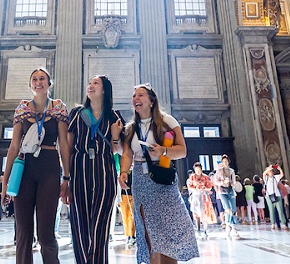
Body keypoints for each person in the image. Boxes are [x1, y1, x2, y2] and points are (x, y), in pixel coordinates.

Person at [118, 84, 199, 264]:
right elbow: (127, 154)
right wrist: (123, 171)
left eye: (140, 95)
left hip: (162, 177)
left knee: (168, 227)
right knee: (148, 228)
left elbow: (182, 151)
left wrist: (163, 151)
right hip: (140, 179)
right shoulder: (131, 127)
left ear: (151, 100)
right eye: (134, 96)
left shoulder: (167, 121)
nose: (135, 99)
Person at [1, 68, 71, 264]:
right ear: (30, 84)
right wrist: (5, 182)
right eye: (34, 79)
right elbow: (14, 145)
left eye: (42, 79)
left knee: (46, 233)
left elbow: (64, 144)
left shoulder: (58, 107)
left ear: (49, 83)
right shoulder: (22, 108)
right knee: (23, 233)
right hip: (24, 167)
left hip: (49, 166)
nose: (38, 82)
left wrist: (66, 177)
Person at [67, 75, 123, 264]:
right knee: (79, 227)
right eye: (89, 83)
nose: (90, 86)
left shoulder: (114, 117)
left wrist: (115, 137)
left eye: (95, 83)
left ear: (105, 90)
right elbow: (67, 148)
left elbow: (121, 150)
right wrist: (65, 178)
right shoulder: (76, 113)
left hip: (105, 170)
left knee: (101, 229)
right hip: (79, 169)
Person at [186, 163, 217, 238]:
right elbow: (189, 186)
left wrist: (204, 189)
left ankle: (205, 230)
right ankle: (198, 229)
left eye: (199, 170)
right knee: (196, 214)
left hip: (204, 196)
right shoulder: (192, 177)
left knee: (204, 213)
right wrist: (195, 189)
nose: (198, 171)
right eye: (196, 170)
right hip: (196, 196)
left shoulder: (205, 177)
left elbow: (209, 186)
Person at [212, 155, 239, 238]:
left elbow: (234, 181)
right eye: (223, 162)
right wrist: (223, 181)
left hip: (230, 190)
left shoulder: (231, 171)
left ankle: (233, 226)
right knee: (227, 209)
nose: (225, 163)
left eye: (226, 161)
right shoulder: (219, 171)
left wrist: (232, 183)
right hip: (222, 191)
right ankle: (228, 225)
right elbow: (215, 181)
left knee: (233, 209)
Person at [264, 164, 288, 229]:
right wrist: (269, 168)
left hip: (277, 195)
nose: (271, 172)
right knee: (271, 210)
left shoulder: (275, 177)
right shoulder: (266, 178)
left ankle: (283, 223)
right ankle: (272, 223)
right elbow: (264, 174)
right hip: (269, 196)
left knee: (280, 210)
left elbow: (282, 175)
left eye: (272, 171)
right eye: (270, 171)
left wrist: (279, 169)